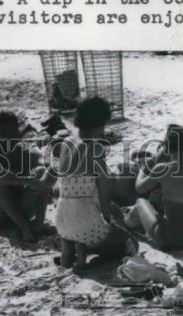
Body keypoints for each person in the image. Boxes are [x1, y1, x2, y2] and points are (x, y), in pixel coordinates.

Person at [51, 97, 133, 269]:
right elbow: (104, 189)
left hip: (62, 218)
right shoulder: (95, 148)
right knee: (127, 242)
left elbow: (63, 185)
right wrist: (107, 219)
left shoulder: (66, 143)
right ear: (101, 123)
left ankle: (73, 254)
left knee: (84, 218)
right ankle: (87, 254)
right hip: (84, 220)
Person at [0, 110, 52, 243]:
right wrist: (27, 180)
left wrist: (38, 176)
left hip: (22, 207)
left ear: (18, 133)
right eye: (5, 135)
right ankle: (25, 228)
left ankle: (38, 224)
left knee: (42, 172)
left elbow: (45, 169)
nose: (8, 139)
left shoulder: (27, 150)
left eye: (11, 133)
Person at [133, 124, 183, 250]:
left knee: (140, 202)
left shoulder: (163, 169)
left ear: (168, 150)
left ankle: (125, 224)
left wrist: (142, 168)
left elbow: (139, 188)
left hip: (169, 237)